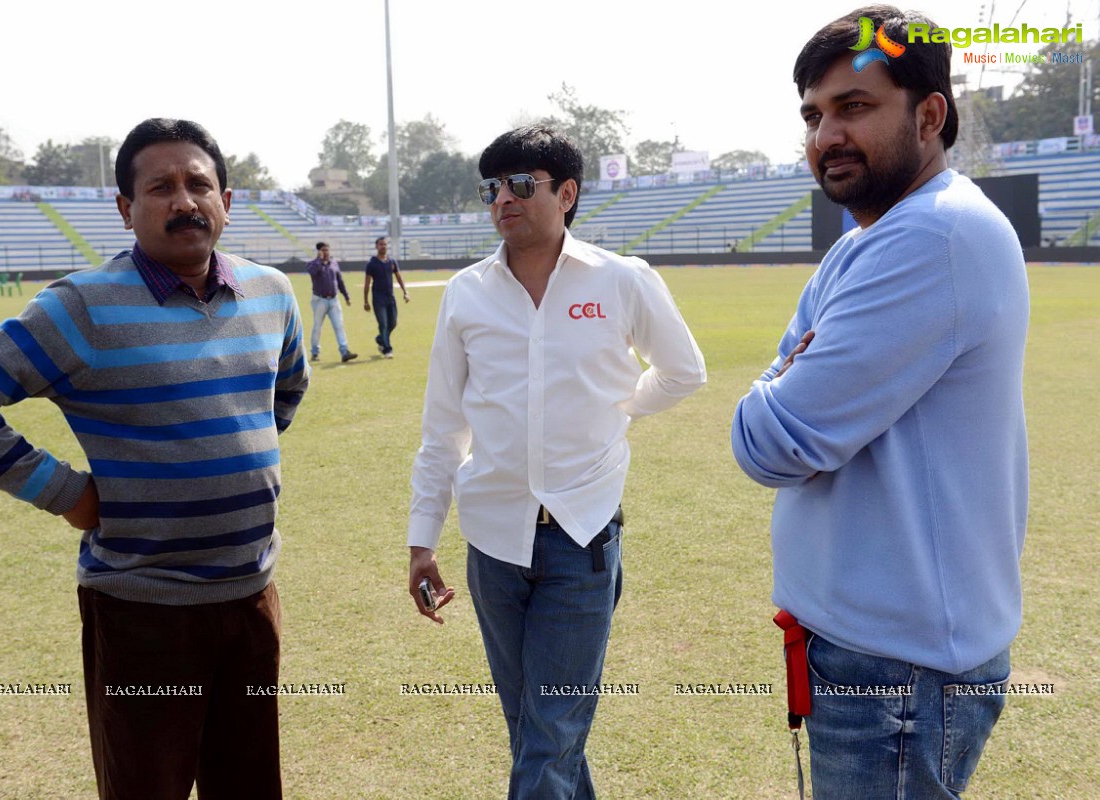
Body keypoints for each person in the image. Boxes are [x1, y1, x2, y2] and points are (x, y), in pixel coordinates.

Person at [0, 117, 310, 800]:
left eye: (199, 184)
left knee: (249, 787)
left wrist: (226, 460)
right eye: (161, 188)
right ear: (127, 208)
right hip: (143, 612)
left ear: (227, 200)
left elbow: (286, 389)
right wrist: (67, 493)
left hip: (249, 600)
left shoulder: (271, 293)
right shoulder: (82, 307)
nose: (185, 201)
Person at [731, 7, 1029, 797]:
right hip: (882, 651)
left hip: (898, 669)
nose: (826, 134)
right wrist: (793, 361)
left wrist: (780, 373)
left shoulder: (929, 236)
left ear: (929, 115)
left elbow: (769, 443)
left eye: (853, 107)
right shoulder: (876, 237)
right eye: (813, 114)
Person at [407, 126, 706, 798]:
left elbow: (684, 372)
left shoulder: (622, 280)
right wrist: (421, 541)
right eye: (492, 189)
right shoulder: (466, 293)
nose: (503, 200)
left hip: (582, 538)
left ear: (566, 193)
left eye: (521, 184)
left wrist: (621, 406)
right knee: (538, 731)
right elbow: (442, 428)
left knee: (551, 737)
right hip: (493, 545)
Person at [306, 241, 357, 362]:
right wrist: (319, 260)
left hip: (334, 300)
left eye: (327, 250)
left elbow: (339, 280)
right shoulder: (313, 264)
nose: (326, 252)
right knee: (317, 327)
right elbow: (312, 272)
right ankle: (315, 352)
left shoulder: (333, 263)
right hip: (319, 300)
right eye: (323, 250)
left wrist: (346, 295)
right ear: (318, 251)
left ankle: (344, 351)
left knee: (339, 326)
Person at [363, 236, 409, 358]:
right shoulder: (371, 263)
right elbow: (367, 283)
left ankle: (380, 339)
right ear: (376, 246)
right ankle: (387, 349)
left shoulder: (392, 262)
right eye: (381, 244)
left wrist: (405, 292)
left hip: (390, 297)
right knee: (383, 323)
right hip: (378, 299)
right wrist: (366, 301)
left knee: (393, 323)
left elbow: (399, 277)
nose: (383, 246)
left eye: (385, 244)